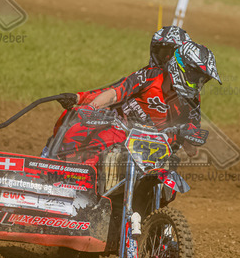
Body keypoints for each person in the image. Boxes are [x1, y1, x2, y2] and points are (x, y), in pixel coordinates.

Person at [50, 34, 220, 165]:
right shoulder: (151, 75)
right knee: (91, 140)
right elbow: (115, 93)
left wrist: (187, 137)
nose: (198, 83)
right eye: (195, 76)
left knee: (170, 174)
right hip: (120, 131)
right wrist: (92, 108)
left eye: (202, 79)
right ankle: (66, 176)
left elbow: (192, 150)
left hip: (156, 148)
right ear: (180, 66)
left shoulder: (192, 101)